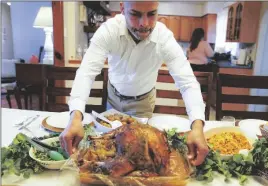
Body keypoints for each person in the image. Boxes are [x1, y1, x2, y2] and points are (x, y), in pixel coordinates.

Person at [59, 1, 209, 166]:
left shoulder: (164, 38)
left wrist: (197, 126)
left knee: (138, 153)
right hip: (113, 99)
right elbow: (86, 73)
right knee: (111, 150)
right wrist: (75, 116)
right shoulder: (109, 31)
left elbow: (187, 82)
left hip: (143, 102)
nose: (144, 23)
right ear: (123, 8)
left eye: (151, 14)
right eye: (135, 14)